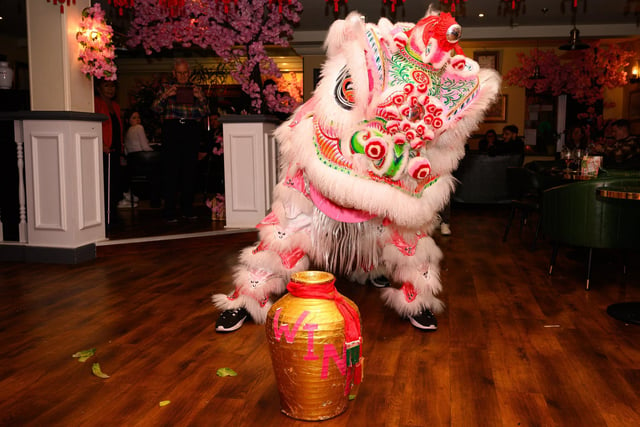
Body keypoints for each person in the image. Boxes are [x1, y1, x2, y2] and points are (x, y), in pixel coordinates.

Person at [152, 59, 209, 222]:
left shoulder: (196, 89)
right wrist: (166, 95)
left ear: (189, 73)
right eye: (179, 73)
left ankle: (188, 209)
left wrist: (200, 98)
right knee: (171, 171)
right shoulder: (166, 88)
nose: (183, 76)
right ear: (174, 73)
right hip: (172, 130)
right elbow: (155, 109)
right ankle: (169, 210)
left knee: (189, 171)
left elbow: (205, 113)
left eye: (185, 72)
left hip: (191, 130)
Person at [94, 79, 124, 228]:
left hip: (115, 150)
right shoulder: (95, 103)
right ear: (99, 88)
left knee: (115, 184)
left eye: (112, 86)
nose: (110, 89)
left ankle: (112, 214)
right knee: (104, 184)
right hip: (103, 150)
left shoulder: (116, 106)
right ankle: (103, 217)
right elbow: (93, 127)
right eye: (106, 86)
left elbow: (118, 129)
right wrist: (101, 144)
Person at [123, 109, 162, 208]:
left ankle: (154, 200)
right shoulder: (139, 128)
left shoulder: (126, 132)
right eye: (134, 117)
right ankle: (156, 201)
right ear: (128, 120)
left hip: (133, 164)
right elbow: (145, 147)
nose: (138, 120)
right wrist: (153, 150)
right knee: (158, 169)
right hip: (142, 161)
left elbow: (126, 151)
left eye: (138, 117)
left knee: (155, 171)